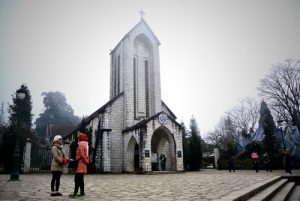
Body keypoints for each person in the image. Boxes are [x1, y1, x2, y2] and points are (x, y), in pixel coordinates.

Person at [71, 133, 89, 197]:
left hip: (80, 164)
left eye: (79, 138)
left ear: (81, 139)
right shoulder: (85, 145)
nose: (78, 139)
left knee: (77, 179)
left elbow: (82, 155)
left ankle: (76, 192)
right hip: (82, 164)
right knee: (80, 179)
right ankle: (81, 192)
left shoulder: (81, 146)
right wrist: (86, 162)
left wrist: (86, 161)